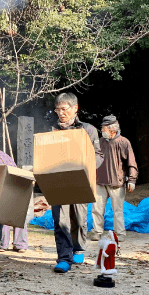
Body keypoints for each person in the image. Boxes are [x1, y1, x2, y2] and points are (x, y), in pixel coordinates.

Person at [51, 93, 104, 273]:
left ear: (75, 108)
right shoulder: (52, 130)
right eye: (57, 109)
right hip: (58, 181)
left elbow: (99, 156)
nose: (60, 113)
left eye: (64, 109)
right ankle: (64, 258)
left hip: (81, 180)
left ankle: (78, 247)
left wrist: (87, 166)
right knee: (61, 220)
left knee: (79, 218)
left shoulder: (88, 130)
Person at [90, 115, 138, 242]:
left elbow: (131, 162)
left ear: (112, 129)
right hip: (99, 182)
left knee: (118, 211)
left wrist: (132, 180)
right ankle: (97, 232)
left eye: (104, 128)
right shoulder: (99, 142)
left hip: (117, 183)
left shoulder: (123, 142)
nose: (102, 130)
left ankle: (120, 234)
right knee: (96, 209)